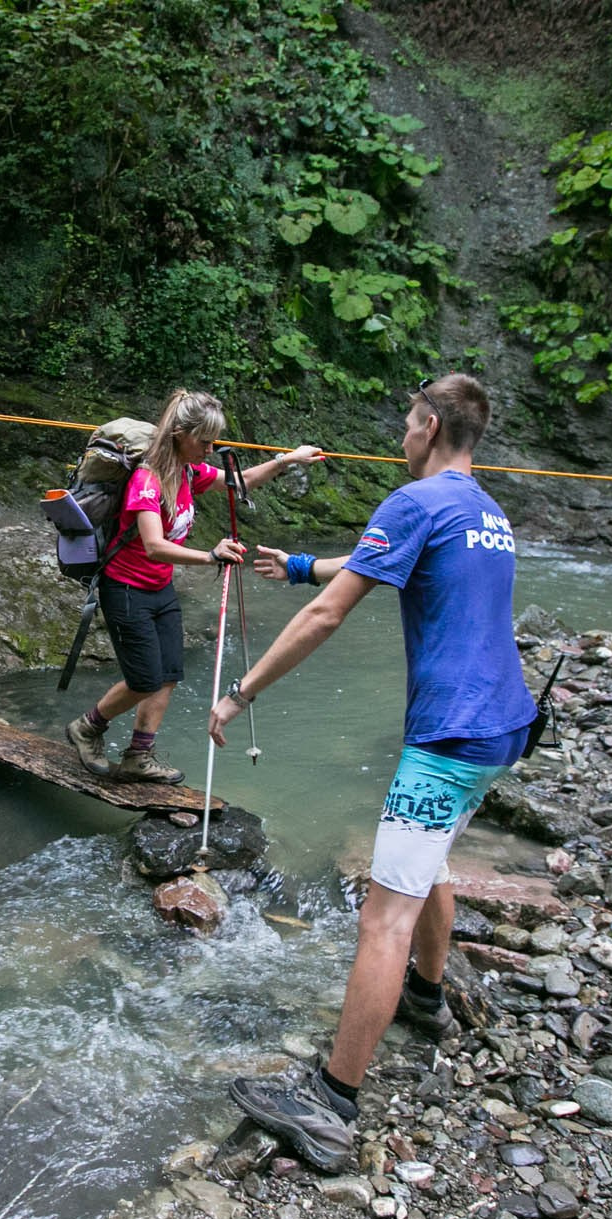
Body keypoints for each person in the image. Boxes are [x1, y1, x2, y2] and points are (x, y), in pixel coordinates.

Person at [206, 373, 537, 1173]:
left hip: (448, 736)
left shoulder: (414, 500)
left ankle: (332, 1099)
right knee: (433, 860)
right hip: (505, 728)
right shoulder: (484, 511)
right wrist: (293, 565)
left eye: (406, 419)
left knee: (381, 915)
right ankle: (426, 996)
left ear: (428, 423)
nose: (401, 432)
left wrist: (239, 693)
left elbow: (331, 614)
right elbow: (371, 566)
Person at [62, 389, 322, 783]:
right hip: (126, 589)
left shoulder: (189, 471)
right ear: (180, 434)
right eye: (204, 440)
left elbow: (240, 482)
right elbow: (153, 545)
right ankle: (86, 727)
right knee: (143, 680)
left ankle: (139, 756)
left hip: (159, 589)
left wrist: (288, 459)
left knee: (168, 673)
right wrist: (210, 557)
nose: (210, 447)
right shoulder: (147, 480)